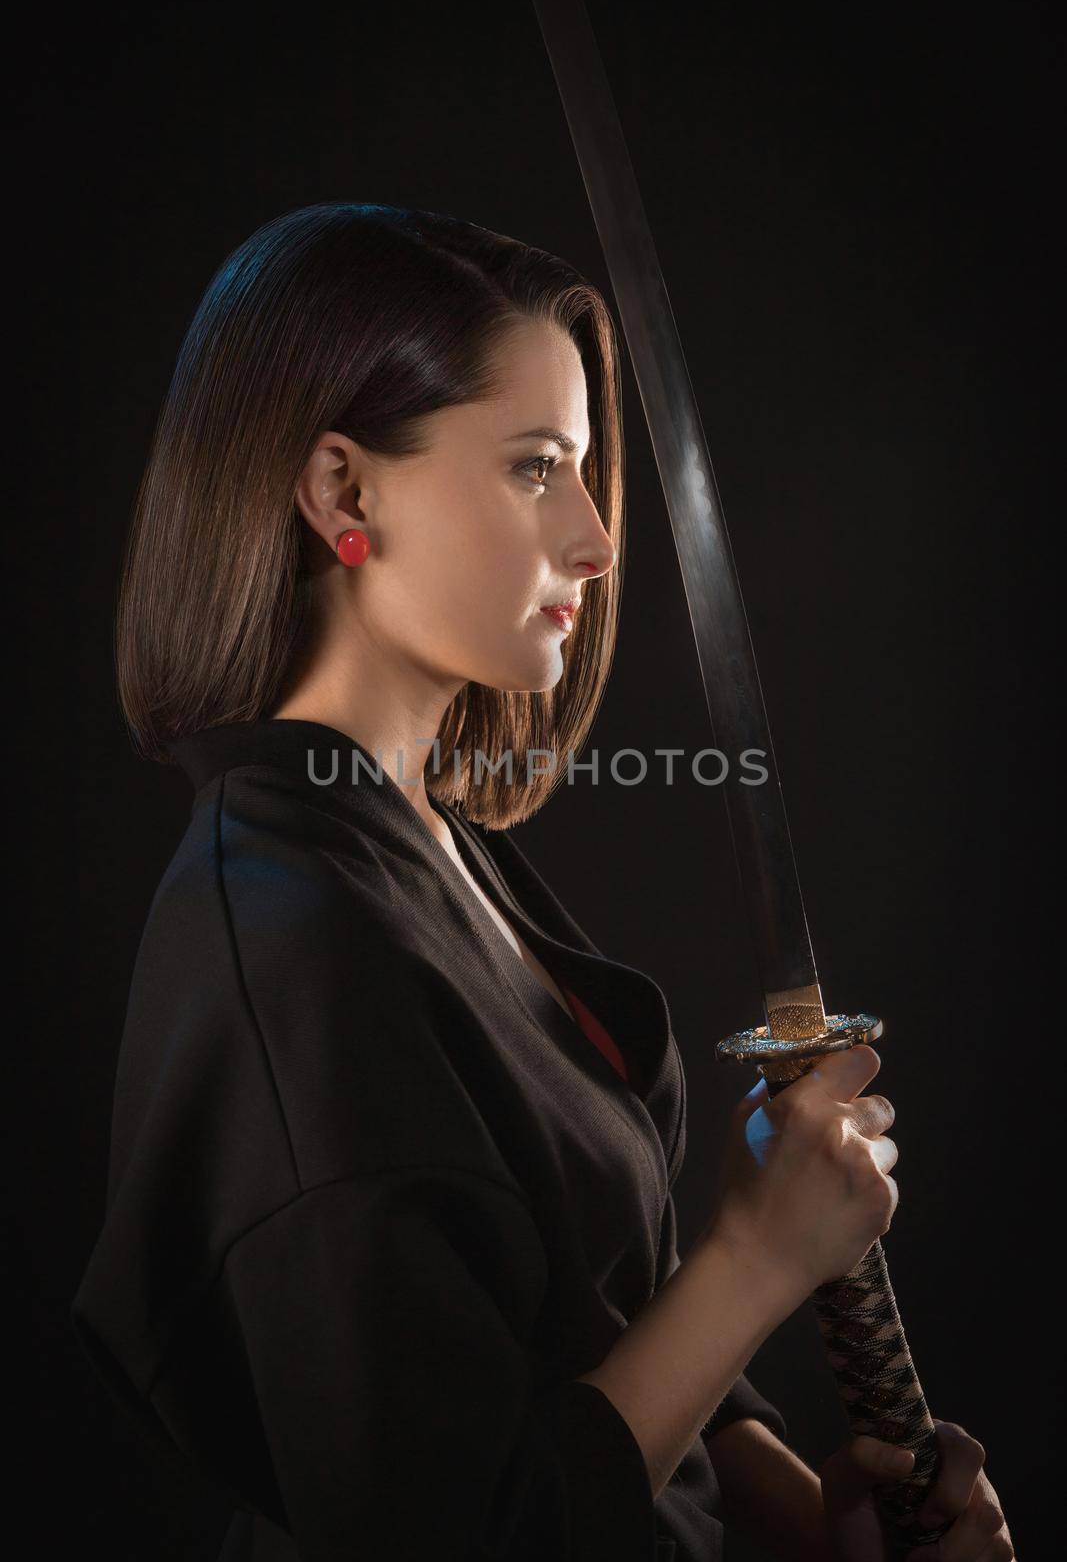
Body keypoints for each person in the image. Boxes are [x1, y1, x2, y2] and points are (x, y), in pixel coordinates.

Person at [71, 202, 1012, 1561]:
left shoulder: (424, 842)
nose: (594, 537)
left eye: (578, 470)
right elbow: (457, 1531)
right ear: (344, 493)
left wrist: (810, 1525)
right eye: (532, 469)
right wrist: (757, 1259)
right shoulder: (289, 936)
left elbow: (585, 1330)